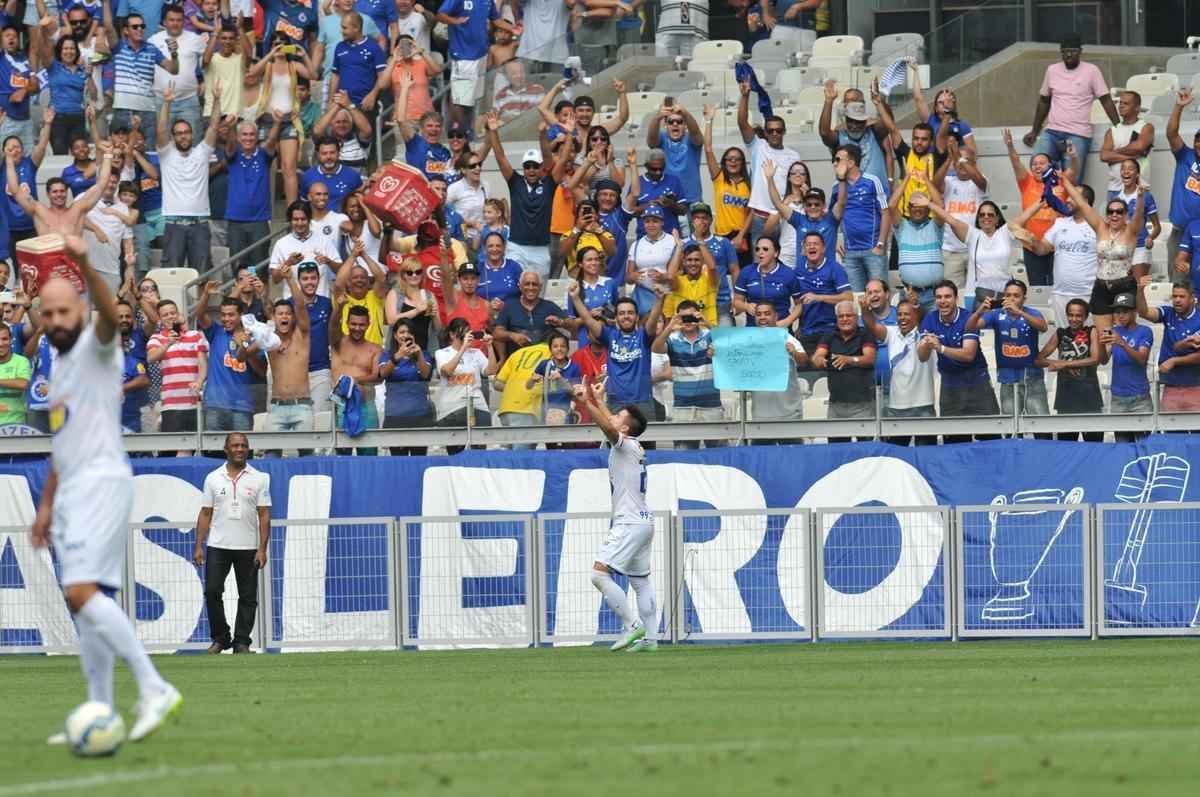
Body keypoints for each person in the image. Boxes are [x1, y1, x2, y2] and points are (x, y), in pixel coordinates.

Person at [33, 235, 182, 745]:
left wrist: (81, 263)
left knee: (80, 592)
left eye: (61, 310)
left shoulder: (98, 346)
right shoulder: (58, 366)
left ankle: (154, 685)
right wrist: (47, 504)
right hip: (74, 487)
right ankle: (100, 706)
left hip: (101, 482)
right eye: (46, 312)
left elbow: (105, 308)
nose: (54, 320)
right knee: (87, 604)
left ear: (77, 309)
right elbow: (63, 439)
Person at [571, 376, 656, 652]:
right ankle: (651, 641)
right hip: (643, 521)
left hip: (629, 521)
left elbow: (608, 427)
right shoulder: (633, 445)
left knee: (598, 575)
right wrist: (599, 401)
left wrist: (587, 403)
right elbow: (612, 422)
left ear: (625, 427)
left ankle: (632, 625)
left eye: (620, 415)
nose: (614, 415)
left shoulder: (624, 443)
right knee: (640, 581)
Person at [193, 432, 270, 654]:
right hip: (218, 545)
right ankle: (221, 637)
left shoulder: (259, 478)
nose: (239, 449)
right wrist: (199, 545)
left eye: (243, 445)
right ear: (226, 449)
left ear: (248, 449)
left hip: (248, 546)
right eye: (235, 445)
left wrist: (262, 549)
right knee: (212, 591)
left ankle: (242, 642)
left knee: (247, 596)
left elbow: (264, 514)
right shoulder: (213, 478)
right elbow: (205, 513)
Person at [1054, 178, 1145, 335]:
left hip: (1123, 286)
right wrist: (1064, 180)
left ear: (1125, 216)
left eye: (1119, 212)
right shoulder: (1100, 227)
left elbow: (1138, 214)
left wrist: (1141, 197)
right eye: (1110, 212)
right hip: (1101, 287)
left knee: (1122, 334)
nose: (1114, 215)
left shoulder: (1131, 232)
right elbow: (1081, 203)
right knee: (1104, 337)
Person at [1023, 34, 1118, 183]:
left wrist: (1118, 127)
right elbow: (1044, 101)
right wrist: (1035, 130)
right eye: (1065, 51)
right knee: (1038, 170)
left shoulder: (1091, 70)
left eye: (1073, 51)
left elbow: (1105, 100)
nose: (1068, 54)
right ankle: (1044, 206)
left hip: (1078, 134)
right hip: (1052, 132)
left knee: (1072, 182)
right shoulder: (1052, 70)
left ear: (1080, 51)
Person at [918, 280, 999, 442]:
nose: (943, 301)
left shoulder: (967, 318)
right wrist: (926, 345)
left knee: (991, 438)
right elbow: (922, 357)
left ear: (956, 298)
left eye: (947, 296)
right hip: (950, 387)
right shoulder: (930, 319)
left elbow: (968, 354)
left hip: (977, 385)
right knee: (953, 442)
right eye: (939, 297)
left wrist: (940, 348)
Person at [569, 287, 663, 426]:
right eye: (622, 313)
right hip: (615, 404)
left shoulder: (643, 336)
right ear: (616, 317)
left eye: (630, 313)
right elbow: (588, 320)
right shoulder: (610, 336)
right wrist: (576, 298)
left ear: (637, 317)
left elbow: (653, 321)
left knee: (646, 447)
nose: (626, 316)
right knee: (615, 445)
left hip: (643, 402)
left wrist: (659, 300)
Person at [157, 83, 223, 271]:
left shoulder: (202, 152)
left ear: (192, 134)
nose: (183, 137)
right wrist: (167, 103)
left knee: (202, 273)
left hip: (200, 224)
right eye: (178, 134)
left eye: (186, 133)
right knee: (172, 273)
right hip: (173, 224)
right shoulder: (166, 153)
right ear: (173, 137)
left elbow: (214, 126)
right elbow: (161, 131)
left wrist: (217, 100)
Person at [1014, 182, 1100, 327]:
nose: (1066, 200)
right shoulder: (1060, 223)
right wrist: (1033, 241)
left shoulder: (1097, 225)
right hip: (1060, 294)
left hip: (1088, 294)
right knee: (1064, 339)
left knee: (1089, 340)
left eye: (1072, 197)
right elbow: (1043, 249)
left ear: (1084, 201)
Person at [1002, 127, 1079, 287]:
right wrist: (1010, 147)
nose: (1037, 166)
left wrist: (1073, 157)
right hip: (1032, 245)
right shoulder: (1026, 182)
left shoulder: (1060, 180)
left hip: (1056, 244)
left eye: (1042, 163)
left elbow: (1074, 171)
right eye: (1034, 164)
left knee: (1056, 285)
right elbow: (1016, 163)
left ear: (1051, 165)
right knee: (1037, 287)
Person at [966, 280, 1049, 421]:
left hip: (1032, 377)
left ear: (1024, 298)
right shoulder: (996, 314)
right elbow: (969, 327)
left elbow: (1043, 327)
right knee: (1010, 423)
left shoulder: (1033, 313)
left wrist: (1019, 312)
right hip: (1007, 377)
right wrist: (980, 310)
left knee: (1040, 424)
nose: (1011, 299)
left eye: (1016, 296)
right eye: (1008, 295)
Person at [486, 112, 556, 280]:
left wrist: (542, 136)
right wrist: (493, 132)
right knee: (514, 290)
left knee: (537, 292)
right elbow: (500, 157)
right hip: (516, 247)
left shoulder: (549, 184)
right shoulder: (515, 182)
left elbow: (548, 157)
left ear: (541, 168)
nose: (531, 170)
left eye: (535, 166)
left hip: (541, 249)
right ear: (523, 168)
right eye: (527, 166)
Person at [861, 293, 935, 445]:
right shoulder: (892, 333)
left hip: (923, 406)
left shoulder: (925, 334)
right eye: (900, 314)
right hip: (896, 407)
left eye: (907, 314)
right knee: (896, 458)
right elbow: (872, 325)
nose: (902, 317)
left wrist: (917, 305)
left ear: (916, 315)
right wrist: (865, 309)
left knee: (927, 455)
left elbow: (924, 355)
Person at [651, 302, 722, 447]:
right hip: (682, 406)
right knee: (683, 454)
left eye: (691, 316)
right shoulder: (672, 338)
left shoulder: (709, 335)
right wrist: (670, 327)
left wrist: (705, 321)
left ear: (698, 315)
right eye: (684, 318)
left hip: (711, 404)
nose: (688, 321)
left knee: (717, 452)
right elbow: (656, 348)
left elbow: (727, 339)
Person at [737, 81, 800, 246]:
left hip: (784, 216)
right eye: (770, 130)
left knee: (785, 261)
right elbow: (742, 123)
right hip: (759, 216)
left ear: (784, 132)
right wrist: (745, 96)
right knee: (760, 263)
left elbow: (797, 185)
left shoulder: (794, 155)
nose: (774, 134)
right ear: (765, 132)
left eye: (778, 130)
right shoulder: (758, 147)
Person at [436, 0, 516, 128]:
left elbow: (496, 20)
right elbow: (440, 15)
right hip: (463, 56)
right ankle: (459, 132)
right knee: (460, 99)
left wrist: (514, 28)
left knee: (473, 97)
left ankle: (469, 130)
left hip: (481, 54)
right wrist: (455, 21)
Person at [196, 295, 268, 432]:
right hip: (214, 404)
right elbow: (199, 314)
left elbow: (262, 371)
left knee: (242, 451)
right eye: (223, 315)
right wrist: (205, 294)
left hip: (241, 406)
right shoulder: (216, 332)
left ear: (241, 315)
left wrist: (245, 348)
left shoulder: (253, 338)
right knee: (212, 451)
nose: (226, 319)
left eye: (231, 315)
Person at [1036, 298, 1104, 441]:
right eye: (1071, 315)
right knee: (1067, 445)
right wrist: (1060, 363)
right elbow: (1039, 359)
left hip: (1089, 396)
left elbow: (1095, 359)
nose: (1074, 319)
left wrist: (1065, 365)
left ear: (1085, 317)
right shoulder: (1060, 333)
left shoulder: (1092, 331)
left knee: (1094, 445)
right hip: (1066, 396)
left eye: (1079, 315)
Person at [110, 14, 180, 140]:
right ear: (126, 30)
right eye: (135, 27)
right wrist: (105, 4)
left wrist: (174, 54)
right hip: (123, 109)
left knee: (148, 151)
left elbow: (173, 69)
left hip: (147, 111)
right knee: (121, 151)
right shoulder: (118, 47)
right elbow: (109, 28)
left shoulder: (151, 49)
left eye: (142, 26)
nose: (140, 29)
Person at [812, 300, 877, 435]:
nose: (845, 319)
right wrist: (818, 359)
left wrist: (849, 360)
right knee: (836, 449)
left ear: (857, 317)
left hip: (862, 406)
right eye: (841, 316)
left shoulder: (865, 334)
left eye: (849, 315)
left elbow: (870, 359)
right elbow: (817, 356)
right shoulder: (828, 336)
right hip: (835, 406)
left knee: (864, 450)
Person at [1137, 275, 1200, 412]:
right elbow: (1144, 312)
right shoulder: (1168, 313)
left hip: (1196, 387)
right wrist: (1140, 291)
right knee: (1170, 431)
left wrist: (1175, 361)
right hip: (1170, 386)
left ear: (1192, 298)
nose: (1177, 300)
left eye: (1182, 296)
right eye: (1174, 296)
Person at [832, 143, 890, 292]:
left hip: (873, 250)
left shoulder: (872, 181)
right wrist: (834, 242)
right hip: (850, 253)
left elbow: (885, 212)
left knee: (879, 296)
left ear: (851, 162)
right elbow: (834, 217)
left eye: (839, 159)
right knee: (857, 300)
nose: (835, 163)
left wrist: (881, 244)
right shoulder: (836, 186)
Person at [434, 317, 498, 451]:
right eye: (462, 333)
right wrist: (463, 348)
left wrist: (490, 346)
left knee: (479, 451)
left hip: (478, 405)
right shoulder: (442, 353)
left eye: (469, 332)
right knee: (455, 453)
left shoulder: (476, 353)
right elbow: (446, 371)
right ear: (452, 335)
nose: (466, 336)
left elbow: (491, 370)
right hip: (452, 408)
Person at [225, 119, 280, 274]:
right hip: (236, 221)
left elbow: (271, 141)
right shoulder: (233, 154)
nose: (248, 138)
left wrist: (277, 123)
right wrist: (230, 126)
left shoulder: (264, 155)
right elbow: (229, 145)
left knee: (259, 269)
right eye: (244, 134)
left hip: (259, 220)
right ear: (238, 137)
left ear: (257, 137)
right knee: (237, 269)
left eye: (251, 135)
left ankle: (261, 298)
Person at [147, 298, 208, 435]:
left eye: (173, 313)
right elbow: (151, 357)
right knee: (172, 446)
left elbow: (203, 364)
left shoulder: (195, 335)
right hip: (171, 403)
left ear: (178, 314)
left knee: (195, 446)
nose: (170, 317)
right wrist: (168, 343)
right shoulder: (156, 338)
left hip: (194, 401)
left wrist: (199, 381)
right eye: (165, 314)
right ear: (160, 319)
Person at [790, 231, 852, 359]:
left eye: (815, 244)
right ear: (803, 249)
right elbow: (799, 302)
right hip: (807, 331)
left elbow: (848, 297)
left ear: (823, 248)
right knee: (806, 371)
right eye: (808, 244)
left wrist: (819, 297)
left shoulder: (835, 268)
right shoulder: (798, 271)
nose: (812, 247)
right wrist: (800, 326)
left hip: (831, 330)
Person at [818, 81, 891, 191]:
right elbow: (824, 133)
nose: (854, 125)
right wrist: (828, 101)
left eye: (858, 121)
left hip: (877, 198)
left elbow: (888, 123)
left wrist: (879, 102)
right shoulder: (839, 135)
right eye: (850, 121)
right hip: (851, 200)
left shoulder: (874, 131)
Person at [330, 299, 383, 447]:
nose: (357, 328)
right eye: (353, 324)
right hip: (341, 406)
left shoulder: (375, 349)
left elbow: (377, 377)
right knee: (341, 453)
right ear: (347, 323)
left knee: (369, 454)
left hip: (367, 406)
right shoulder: (338, 344)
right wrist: (339, 307)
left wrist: (352, 380)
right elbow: (333, 325)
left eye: (361, 324)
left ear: (368, 324)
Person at [265, 270, 313, 434]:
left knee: (306, 455)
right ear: (274, 317)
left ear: (293, 317)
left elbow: (300, 305)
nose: (284, 316)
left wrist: (290, 279)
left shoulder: (302, 335)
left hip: (302, 405)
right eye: (280, 314)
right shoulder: (269, 339)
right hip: (276, 406)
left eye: (287, 313)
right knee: (271, 454)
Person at [701, 105, 751, 263]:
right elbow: (708, 149)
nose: (733, 162)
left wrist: (741, 236)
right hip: (721, 237)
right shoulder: (719, 178)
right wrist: (709, 121)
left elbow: (751, 214)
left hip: (742, 238)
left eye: (737, 159)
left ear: (743, 162)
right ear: (724, 162)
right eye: (729, 158)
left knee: (741, 280)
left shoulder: (749, 184)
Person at [936, 140, 988, 289]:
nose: (960, 164)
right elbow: (934, 184)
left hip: (976, 250)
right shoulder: (949, 181)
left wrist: (959, 158)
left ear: (974, 163)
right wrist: (949, 160)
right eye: (958, 160)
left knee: (979, 294)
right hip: (951, 251)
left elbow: (979, 180)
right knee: (952, 296)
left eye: (966, 160)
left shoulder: (981, 180)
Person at [379, 318, 434, 454]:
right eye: (401, 332)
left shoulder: (424, 354)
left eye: (409, 332)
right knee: (398, 462)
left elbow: (426, 375)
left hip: (419, 416)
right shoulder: (387, 355)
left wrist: (419, 354)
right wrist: (398, 356)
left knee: (419, 460)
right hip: (395, 416)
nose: (405, 335)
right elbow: (383, 373)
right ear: (395, 335)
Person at [150, 5, 208, 135]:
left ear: (183, 21)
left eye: (179, 20)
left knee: (193, 143)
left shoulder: (195, 39)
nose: (175, 23)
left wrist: (203, 80)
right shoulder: (153, 40)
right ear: (164, 22)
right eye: (171, 20)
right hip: (162, 101)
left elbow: (209, 61)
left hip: (189, 101)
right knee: (164, 146)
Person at [888, 182, 944, 313]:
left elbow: (941, 206)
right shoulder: (901, 227)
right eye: (913, 205)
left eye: (922, 205)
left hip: (934, 295)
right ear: (908, 208)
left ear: (929, 208)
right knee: (910, 332)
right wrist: (907, 178)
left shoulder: (936, 226)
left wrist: (925, 179)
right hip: (909, 294)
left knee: (933, 332)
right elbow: (891, 206)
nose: (917, 208)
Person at [941, 200, 1017, 298]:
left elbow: (1026, 216)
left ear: (997, 219)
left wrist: (1042, 201)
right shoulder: (972, 234)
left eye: (990, 214)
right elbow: (951, 220)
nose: (986, 217)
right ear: (978, 219)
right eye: (982, 215)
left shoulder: (1005, 232)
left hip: (1006, 293)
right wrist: (929, 204)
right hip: (979, 295)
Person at [1103, 292, 1152, 441]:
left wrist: (1122, 343)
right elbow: (1103, 360)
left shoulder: (1145, 331)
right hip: (1118, 397)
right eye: (1117, 312)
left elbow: (1142, 359)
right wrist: (1100, 344)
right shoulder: (1113, 331)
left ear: (1135, 312)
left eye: (1125, 311)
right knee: (1122, 447)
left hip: (1140, 398)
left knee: (1145, 448)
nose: (1120, 316)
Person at [270, 199, 343, 299]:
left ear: (309, 219)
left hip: (321, 301)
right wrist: (288, 263)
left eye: (303, 219)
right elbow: (275, 279)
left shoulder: (324, 240)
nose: (299, 223)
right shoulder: (281, 244)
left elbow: (340, 271)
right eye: (295, 219)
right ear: (290, 220)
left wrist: (328, 261)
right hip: (292, 304)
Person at [289, 262, 335, 414]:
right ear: (299, 280)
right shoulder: (288, 305)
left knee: (321, 418)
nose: (310, 282)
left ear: (319, 279)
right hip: (295, 370)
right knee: (298, 419)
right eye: (305, 278)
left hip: (321, 370)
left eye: (313, 278)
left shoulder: (327, 304)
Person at [646, 102, 703, 212]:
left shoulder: (691, 138)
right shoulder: (662, 138)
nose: (675, 124)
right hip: (668, 200)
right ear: (665, 125)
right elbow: (651, 141)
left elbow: (696, 133)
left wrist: (685, 113)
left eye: (680, 122)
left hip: (692, 200)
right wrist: (657, 118)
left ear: (685, 125)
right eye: (671, 122)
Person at [42, 35, 95, 155]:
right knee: (60, 154)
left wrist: (90, 76)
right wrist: (44, 30)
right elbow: (44, 51)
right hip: (58, 118)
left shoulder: (82, 70)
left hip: (78, 118)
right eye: (65, 48)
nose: (69, 51)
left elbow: (94, 94)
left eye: (72, 48)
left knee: (80, 154)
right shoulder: (53, 66)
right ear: (60, 51)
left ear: (77, 51)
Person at [1166, 88, 1200, 267]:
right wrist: (1179, 107)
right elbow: (1171, 134)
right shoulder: (1185, 156)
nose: (1199, 144)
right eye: (1197, 140)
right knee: (1178, 285)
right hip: (1180, 232)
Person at [493, 271, 564, 356]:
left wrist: (561, 322)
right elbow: (497, 333)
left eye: (534, 284)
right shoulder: (509, 306)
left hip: (544, 360)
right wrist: (512, 335)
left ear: (540, 287)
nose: (531, 288)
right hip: (517, 359)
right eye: (527, 284)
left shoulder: (549, 306)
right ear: (520, 286)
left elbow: (572, 325)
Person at [1100, 90, 1154, 197]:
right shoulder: (1112, 130)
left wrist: (1114, 153)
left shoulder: (1146, 127)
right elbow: (1104, 155)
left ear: (1137, 108)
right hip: (1114, 189)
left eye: (1126, 103)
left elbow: (1139, 146)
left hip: (1139, 188)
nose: (1121, 106)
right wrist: (1132, 156)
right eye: (1120, 103)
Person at [1112, 160, 1159, 278]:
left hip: (1140, 248)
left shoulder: (1146, 196)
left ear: (1137, 174)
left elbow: (1157, 226)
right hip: (1121, 249)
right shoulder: (1115, 198)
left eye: (1130, 168)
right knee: (1122, 288)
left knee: (1140, 287)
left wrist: (1150, 237)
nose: (1126, 171)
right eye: (1123, 168)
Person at [910, 60, 974, 146]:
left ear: (953, 105)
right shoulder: (930, 120)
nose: (945, 104)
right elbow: (918, 98)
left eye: (947, 101)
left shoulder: (962, 126)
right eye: (941, 102)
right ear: (936, 108)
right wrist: (916, 71)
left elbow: (972, 153)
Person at [0, 24, 41, 153]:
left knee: (28, 158)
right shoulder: (1, 58)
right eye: (7, 36)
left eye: (15, 36)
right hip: (7, 118)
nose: (11, 38)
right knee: (3, 159)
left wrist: (24, 90)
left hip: (26, 119)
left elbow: (36, 86)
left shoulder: (25, 60)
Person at [0, 321, 30, 426]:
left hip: (16, 424)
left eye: (4, 339)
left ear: (11, 340)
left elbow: (23, 384)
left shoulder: (21, 361)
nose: (1, 344)